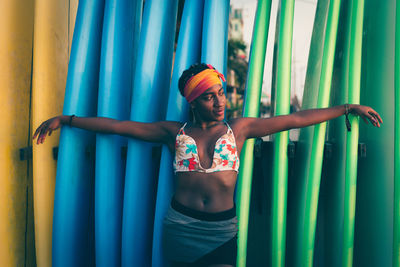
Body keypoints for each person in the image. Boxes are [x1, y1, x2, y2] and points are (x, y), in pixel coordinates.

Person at [33, 63, 382, 267]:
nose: (219, 102)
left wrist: (347, 108)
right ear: (193, 102)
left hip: (220, 232)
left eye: (220, 92)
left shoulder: (240, 129)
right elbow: (119, 126)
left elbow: (295, 118)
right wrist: (67, 119)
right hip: (179, 228)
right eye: (208, 96)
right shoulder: (174, 132)